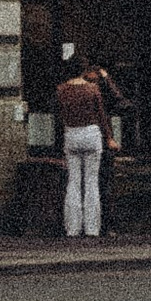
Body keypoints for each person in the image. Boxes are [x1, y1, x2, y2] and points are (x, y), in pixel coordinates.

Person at [54, 47, 116, 244]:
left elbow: (59, 115)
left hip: (71, 133)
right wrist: (109, 138)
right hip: (91, 134)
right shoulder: (92, 89)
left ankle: (72, 227)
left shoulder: (61, 90)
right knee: (91, 182)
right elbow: (101, 116)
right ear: (84, 70)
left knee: (73, 182)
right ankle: (92, 228)